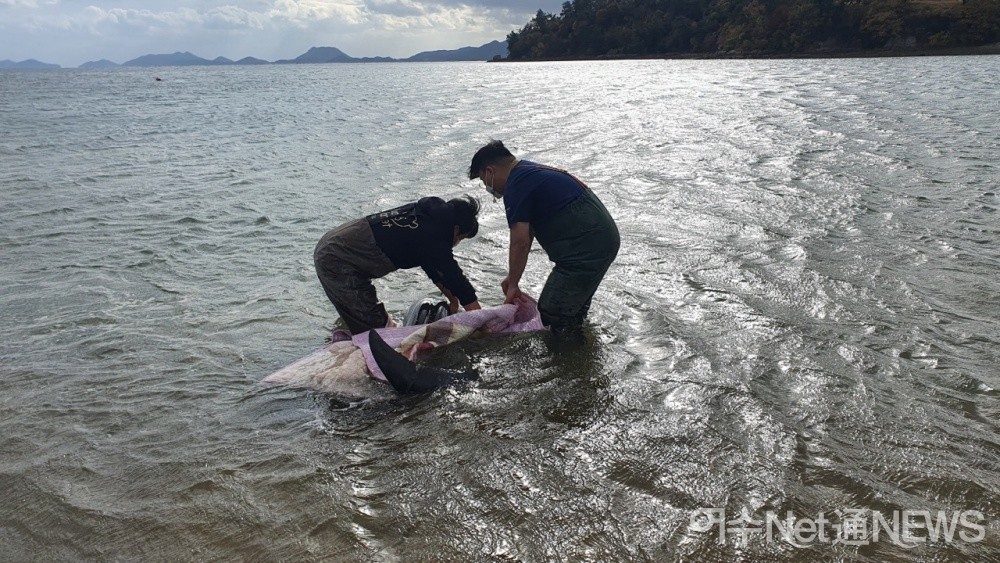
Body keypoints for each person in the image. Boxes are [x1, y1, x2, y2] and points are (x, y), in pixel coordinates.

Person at [468, 140, 619, 343]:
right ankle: (581, 352)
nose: (487, 187)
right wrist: (512, 279)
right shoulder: (527, 172)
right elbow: (527, 236)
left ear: (490, 171)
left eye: (483, 180)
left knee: (553, 312)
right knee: (571, 309)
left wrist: (513, 284)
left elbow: (520, 241)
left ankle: (570, 366)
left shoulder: (517, 184)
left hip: (585, 249)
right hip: (598, 242)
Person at [314, 196, 482, 334]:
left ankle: (348, 336)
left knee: (362, 318)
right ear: (456, 229)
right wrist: (480, 321)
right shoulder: (435, 233)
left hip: (336, 243)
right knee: (375, 332)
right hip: (337, 257)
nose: (456, 243)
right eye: (460, 238)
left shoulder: (427, 216)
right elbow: (455, 278)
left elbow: (434, 268)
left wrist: (453, 301)